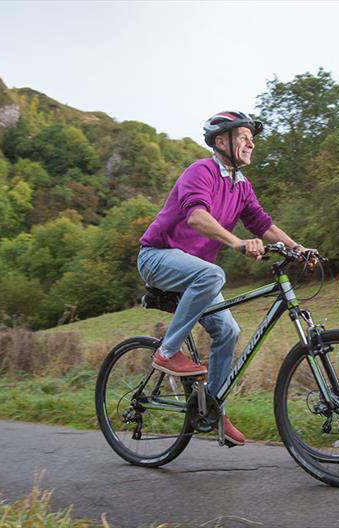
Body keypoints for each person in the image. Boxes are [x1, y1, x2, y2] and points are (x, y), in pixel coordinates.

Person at [137, 111, 310, 446]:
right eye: (244, 137)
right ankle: (167, 351)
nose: (251, 144)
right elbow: (197, 217)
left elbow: (262, 224)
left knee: (228, 330)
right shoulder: (200, 171)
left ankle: (212, 410)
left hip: (195, 270)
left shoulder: (241, 185)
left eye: (251, 138)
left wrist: (297, 248)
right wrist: (237, 242)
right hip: (157, 256)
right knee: (213, 273)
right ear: (221, 141)